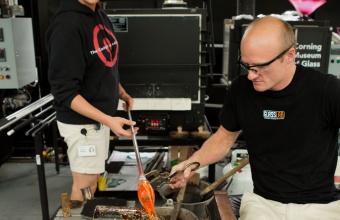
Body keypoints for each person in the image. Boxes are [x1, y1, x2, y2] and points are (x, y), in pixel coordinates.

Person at [170, 16, 340, 219]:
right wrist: (193, 163)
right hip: (264, 203)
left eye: (259, 67)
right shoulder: (241, 90)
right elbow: (224, 139)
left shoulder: (326, 90)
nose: (251, 75)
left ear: (289, 55)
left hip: (319, 206)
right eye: (246, 65)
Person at [46, 0, 138, 201]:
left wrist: (120, 92)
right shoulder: (67, 26)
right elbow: (64, 91)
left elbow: (105, 66)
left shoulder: (99, 15)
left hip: (98, 121)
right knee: (84, 185)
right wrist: (108, 120)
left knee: (92, 181)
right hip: (82, 125)